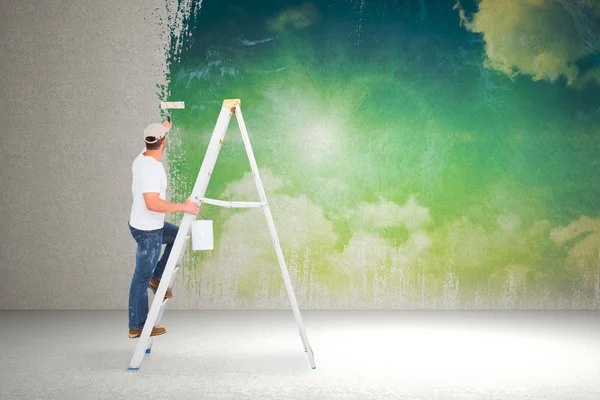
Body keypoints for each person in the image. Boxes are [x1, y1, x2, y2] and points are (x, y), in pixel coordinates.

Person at [127, 120, 200, 339]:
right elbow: (152, 203)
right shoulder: (150, 169)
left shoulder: (143, 156)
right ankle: (137, 326)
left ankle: (157, 277)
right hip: (148, 231)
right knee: (141, 277)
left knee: (178, 235)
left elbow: (153, 139)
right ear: (164, 143)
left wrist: (164, 127)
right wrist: (183, 207)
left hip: (145, 224)